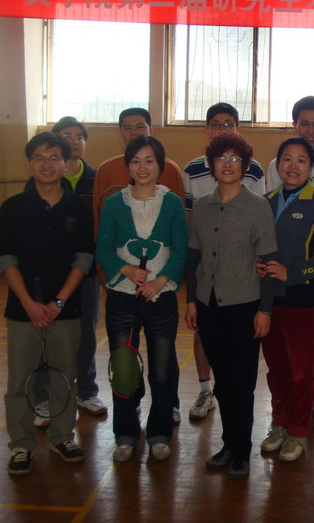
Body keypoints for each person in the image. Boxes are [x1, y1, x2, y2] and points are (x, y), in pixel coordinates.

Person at [0, 132, 94, 476]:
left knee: (65, 377)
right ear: (29, 163)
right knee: (19, 381)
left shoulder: (79, 207)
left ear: (67, 164)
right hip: (21, 310)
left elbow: (84, 258)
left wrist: (59, 301)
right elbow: (5, 258)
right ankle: (21, 445)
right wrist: (28, 303)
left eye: (54, 157)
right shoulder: (12, 207)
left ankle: (61, 436)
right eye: (39, 157)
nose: (47, 164)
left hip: (66, 309)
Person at [184, 133, 278, 479]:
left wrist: (265, 310)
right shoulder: (202, 206)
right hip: (208, 306)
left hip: (244, 306)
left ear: (245, 165)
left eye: (234, 158)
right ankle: (228, 444)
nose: (227, 164)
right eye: (221, 158)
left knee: (242, 382)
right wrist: (191, 301)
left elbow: (269, 261)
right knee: (223, 383)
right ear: (211, 165)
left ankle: (241, 451)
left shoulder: (258, 207)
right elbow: (193, 257)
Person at [96, 135, 188, 463]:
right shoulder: (114, 204)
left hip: (161, 298)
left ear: (160, 166)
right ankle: (125, 433)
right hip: (122, 299)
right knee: (123, 368)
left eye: (149, 160)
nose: (142, 167)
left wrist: (160, 281)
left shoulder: (172, 203)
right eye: (135, 161)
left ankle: (160, 432)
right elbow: (103, 248)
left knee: (162, 370)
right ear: (128, 166)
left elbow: (181, 249)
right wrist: (125, 270)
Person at [182, 102, 266, 420]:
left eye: (228, 123)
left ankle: (235, 421)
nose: (222, 129)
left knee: (238, 367)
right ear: (207, 130)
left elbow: (259, 225)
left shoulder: (254, 171)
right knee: (205, 337)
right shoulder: (191, 171)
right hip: (207, 279)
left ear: (238, 128)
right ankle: (206, 391)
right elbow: (191, 228)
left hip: (241, 281)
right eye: (216, 124)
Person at [258, 137, 314, 462]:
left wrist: (290, 273)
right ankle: (279, 422)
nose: (293, 166)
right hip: (268, 301)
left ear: (310, 167)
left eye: (301, 160)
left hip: (305, 301)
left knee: (302, 372)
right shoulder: (265, 202)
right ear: (278, 165)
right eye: (287, 159)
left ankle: (299, 430)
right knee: (276, 369)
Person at [24, 117, 107, 423]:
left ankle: (86, 391)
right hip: (46, 277)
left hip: (85, 274)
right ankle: (44, 397)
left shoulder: (97, 180)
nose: (73, 141)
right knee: (44, 336)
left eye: (78, 136)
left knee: (85, 335)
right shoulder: (36, 183)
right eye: (66, 135)